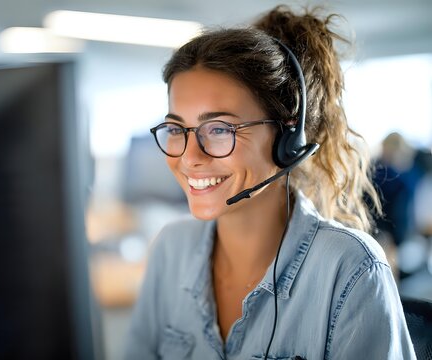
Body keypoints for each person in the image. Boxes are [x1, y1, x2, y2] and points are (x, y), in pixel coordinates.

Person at [124, 5, 416, 359]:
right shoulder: (170, 250)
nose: (189, 157)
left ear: (287, 137)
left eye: (218, 129)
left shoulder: (351, 268)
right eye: (175, 129)